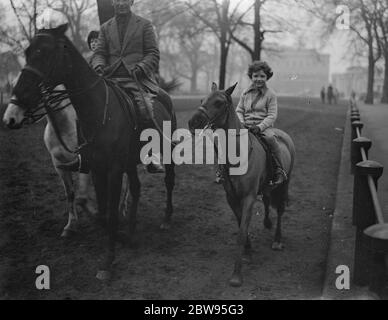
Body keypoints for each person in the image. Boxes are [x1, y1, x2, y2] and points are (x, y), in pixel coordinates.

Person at [60, 0, 164, 174]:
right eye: (117, 0)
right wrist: (99, 65)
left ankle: (151, 155)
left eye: (125, 0)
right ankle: (84, 156)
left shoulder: (144, 25)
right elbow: (99, 53)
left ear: (131, 2)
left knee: (145, 108)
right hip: (110, 78)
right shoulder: (105, 28)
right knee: (85, 110)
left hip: (136, 79)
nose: (121, 3)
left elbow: (153, 53)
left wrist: (141, 67)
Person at [229, 61, 287, 186]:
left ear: (267, 77)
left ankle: (279, 170)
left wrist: (260, 127)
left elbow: (272, 115)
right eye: (256, 76)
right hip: (245, 126)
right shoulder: (245, 93)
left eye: (262, 76)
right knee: (228, 139)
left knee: (271, 139)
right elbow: (239, 110)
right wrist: (242, 123)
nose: (258, 79)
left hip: (263, 128)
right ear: (251, 77)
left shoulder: (271, 94)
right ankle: (222, 170)